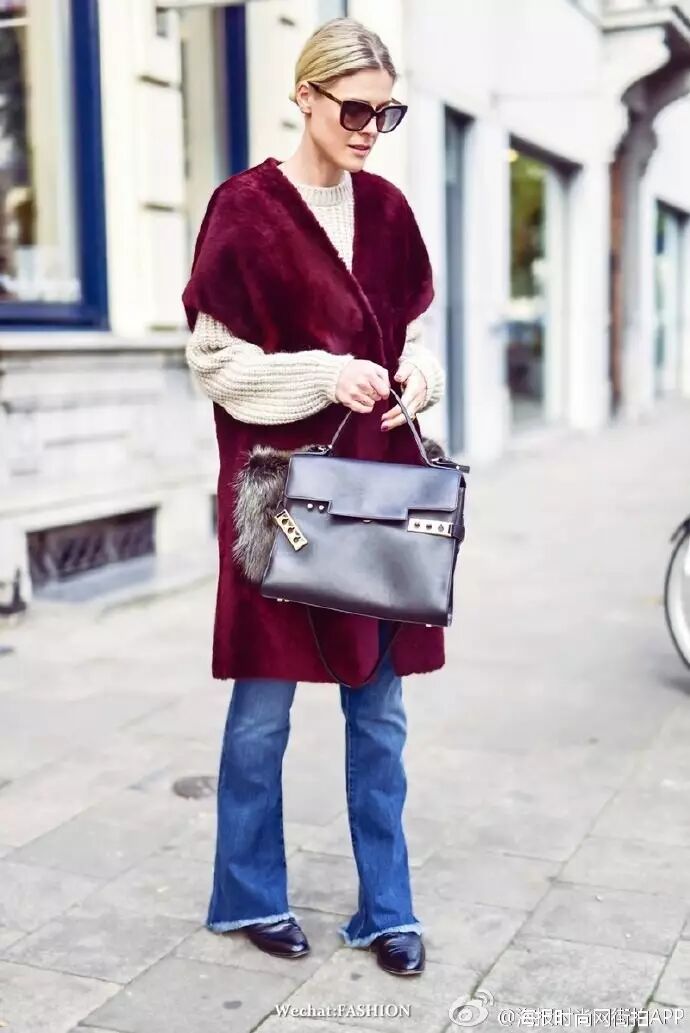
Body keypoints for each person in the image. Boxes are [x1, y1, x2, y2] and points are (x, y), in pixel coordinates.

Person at [182, 17, 447, 978]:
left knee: (380, 713)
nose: (372, 129)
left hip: (377, 495)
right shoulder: (245, 210)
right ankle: (250, 892)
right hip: (282, 503)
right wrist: (325, 374)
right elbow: (215, 363)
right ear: (305, 96)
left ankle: (388, 908)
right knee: (263, 710)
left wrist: (417, 379)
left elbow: (418, 339)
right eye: (355, 110)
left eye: (387, 113)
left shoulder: (389, 211)